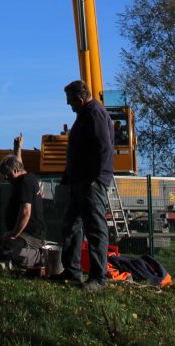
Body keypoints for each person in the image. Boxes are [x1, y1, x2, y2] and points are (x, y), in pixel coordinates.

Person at [60, 79, 115, 291]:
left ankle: (98, 278)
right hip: (80, 181)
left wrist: (94, 178)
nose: (69, 105)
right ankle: (72, 271)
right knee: (72, 226)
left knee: (95, 229)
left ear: (80, 99)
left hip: (91, 183)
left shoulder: (95, 114)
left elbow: (104, 148)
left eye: (70, 101)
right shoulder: (85, 114)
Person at [0, 152, 45, 269]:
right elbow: (18, 162)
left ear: (15, 171)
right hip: (22, 233)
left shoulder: (25, 182)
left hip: (30, 235)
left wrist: (14, 234)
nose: (6, 178)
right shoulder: (25, 179)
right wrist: (18, 148)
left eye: (7, 174)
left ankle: (39, 256)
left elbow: (26, 213)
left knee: (5, 252)